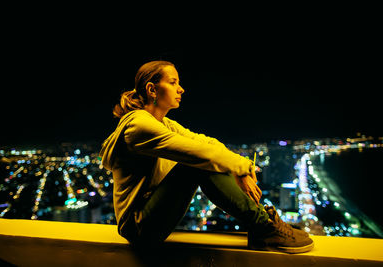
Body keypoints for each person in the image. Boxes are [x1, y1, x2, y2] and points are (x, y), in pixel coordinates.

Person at [100, 60, 314, 253]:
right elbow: (201, 154)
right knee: (195, 164)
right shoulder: (139, 126)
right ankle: (264, 228)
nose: (181, 89)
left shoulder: (164, 124)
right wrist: (239, 168)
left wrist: (243, 167)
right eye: (173, 82)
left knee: (201, 160)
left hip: (150, 218)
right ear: (152, 89)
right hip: (138, 227)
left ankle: (263, 227)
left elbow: (206, 143)